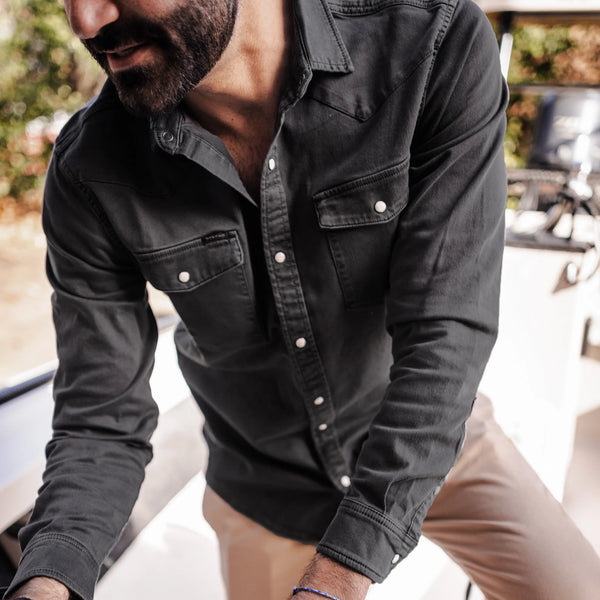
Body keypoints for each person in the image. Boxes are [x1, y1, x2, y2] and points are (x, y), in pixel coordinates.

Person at [4, 0, 600, 599]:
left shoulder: (431, 44)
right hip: (262, 488)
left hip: (427, 438)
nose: (84, 22)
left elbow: (445, 334)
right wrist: (47, 584)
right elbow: (100, 421)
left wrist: (337, 579)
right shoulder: (89, 167)